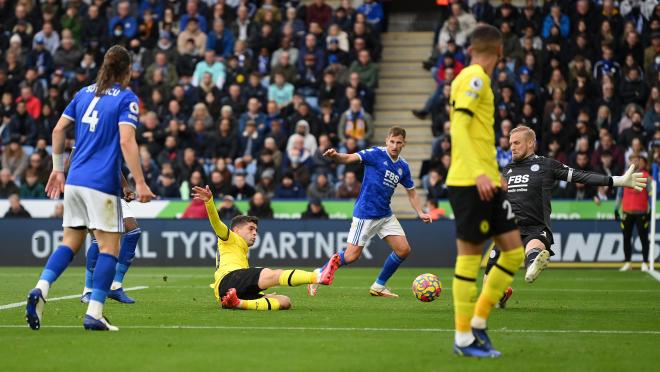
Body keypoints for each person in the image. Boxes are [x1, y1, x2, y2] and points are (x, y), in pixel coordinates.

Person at [25, 45, 154, 332]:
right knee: (110, 247)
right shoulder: (126, 98)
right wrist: (140, 182)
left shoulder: (83, 94)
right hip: (101, 184)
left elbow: (58, 131)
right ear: (128, 71)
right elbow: (126, 141)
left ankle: (41, 288)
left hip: (74, 180)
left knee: (70, 243)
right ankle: (94, 312)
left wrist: (58, 169)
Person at [487, 126, 647, 305]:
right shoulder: (507, 170)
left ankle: (533, 262)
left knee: (533, 247)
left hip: (535, 228)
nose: (512, 147)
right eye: (510, 144)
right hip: (508, 230)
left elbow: (581, 176)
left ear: (530, 143)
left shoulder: (546, 165)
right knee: (488, 287)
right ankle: (504, 292)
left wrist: (616, 181)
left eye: (517, 143)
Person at [445, 25, 523, 358]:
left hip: (486, 181)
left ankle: (477, 322)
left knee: (514, 252)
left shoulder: (468, 77)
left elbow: (474, 133)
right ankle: (463, 337)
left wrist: (492, 173)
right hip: (467, 182)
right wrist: (478, 173)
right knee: (469, 258)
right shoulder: (476, 78)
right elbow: (459, 127)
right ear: (499, 51)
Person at [309, 126, 431, 298]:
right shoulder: (375, 154)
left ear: (404, 144)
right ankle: (316, 276)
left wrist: (420, 211)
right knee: (351, 256)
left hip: (385, 214)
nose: (395, 145)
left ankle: (379, 286)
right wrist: (336, 156)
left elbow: (411, 191)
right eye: (392, 142)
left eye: (399, 143)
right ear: (387, 141)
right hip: (366, 213)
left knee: (403, 250)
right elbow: (350, 158)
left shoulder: (403, 166)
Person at [191, 185, 341, 311]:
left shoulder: (240, 250)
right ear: (236, 230)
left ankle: (238, 303)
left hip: (231, 290)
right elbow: (216, 223)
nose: (255, 233)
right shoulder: (229, 237)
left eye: (256, 230)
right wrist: (209, 202)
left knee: (284, 301)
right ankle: (317, 277)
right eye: (251, 229)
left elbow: (245, 280)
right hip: (228, 280)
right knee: (273, 275)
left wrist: (259, 291)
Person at [81, 173, 143, 304]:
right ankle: (88, 290)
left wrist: (125, 186)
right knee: (98, 239)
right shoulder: (81, 151)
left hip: (113, 193)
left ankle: (115, 286)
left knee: (134, 231)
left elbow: (114, 163)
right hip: (91, 191)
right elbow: (71, 164)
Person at [615, 154, 651, 272]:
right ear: (629, 162)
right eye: (632, 160)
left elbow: (652, 194)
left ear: (641, 162)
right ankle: (627, 262)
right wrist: (616, 209)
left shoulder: (646, 177)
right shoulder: (625, 176)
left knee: (643, 238)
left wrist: (650, 210)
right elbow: (619, 194)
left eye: (637, 160)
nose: (635, 162)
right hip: (627, 212)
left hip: (641, 212)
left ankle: (645, 262)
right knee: (626, 237)